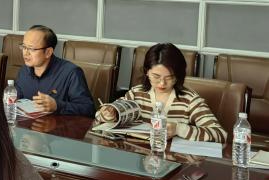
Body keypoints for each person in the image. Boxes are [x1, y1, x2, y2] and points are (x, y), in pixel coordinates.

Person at [96, 43, 226, 142]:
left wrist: (178, 129)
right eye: (156, 77)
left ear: (179, 76)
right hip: (139, 156)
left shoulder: (189, 100)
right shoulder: (136, 93)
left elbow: (219, 134)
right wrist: (110, 114)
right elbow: (102, 116)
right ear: (147, 72)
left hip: (175, 161)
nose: (162, 83)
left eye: (169, 77)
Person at [15, 25, 94, 116]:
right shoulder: (24, 71)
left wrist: (57, 106)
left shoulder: (71, 73)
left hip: (60, 124)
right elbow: (17, 97)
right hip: (28, 123)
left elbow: (88, 109)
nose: (25, 53)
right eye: (24, 47)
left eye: (31, 49)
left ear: (48, 52)